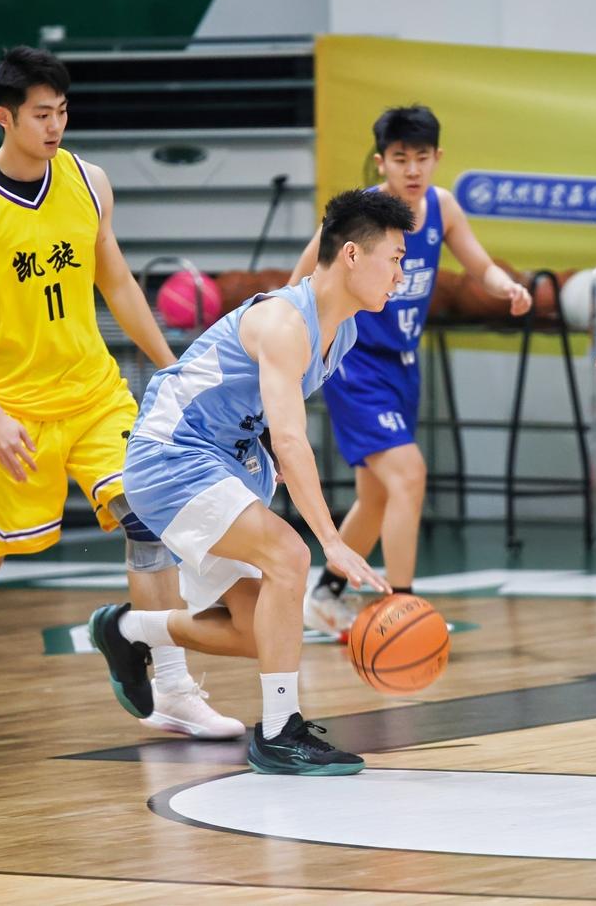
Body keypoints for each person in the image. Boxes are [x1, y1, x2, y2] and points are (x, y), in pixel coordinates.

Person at [0, 47, 240, 744]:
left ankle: (173, 689)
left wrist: (173, 369)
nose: (56, 126)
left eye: (62, 112)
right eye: (41, 115)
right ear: (5, 118)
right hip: (13, 412)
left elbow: (119, 285)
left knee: (149, 521)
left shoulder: (88, 183)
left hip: (95, 397)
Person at [88, 189, 415, 774]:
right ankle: (280, 731)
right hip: (171, 455)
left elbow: (270, 419)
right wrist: (332, 542)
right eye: (393, 258)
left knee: (254, 631)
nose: (400, 274)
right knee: (292, 554)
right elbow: (290, 438)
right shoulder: (285, 323)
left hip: (226, 460)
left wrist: (266, 446)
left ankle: (128, 630)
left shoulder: (343, 332)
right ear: (351, 255)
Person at [289, 106, 531, 635]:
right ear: (381, 162)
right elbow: (303, 273)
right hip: (353, 361)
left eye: (422, 157)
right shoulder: (360, 215)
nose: (413, 169)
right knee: (409, 474)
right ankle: (402, 608)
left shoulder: (444, 207)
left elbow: (479, 265)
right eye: (401, 159)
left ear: (437, 157)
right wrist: (296, 340)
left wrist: (506, 287)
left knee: (378, 496)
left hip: (402, 365)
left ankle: (325, 594)